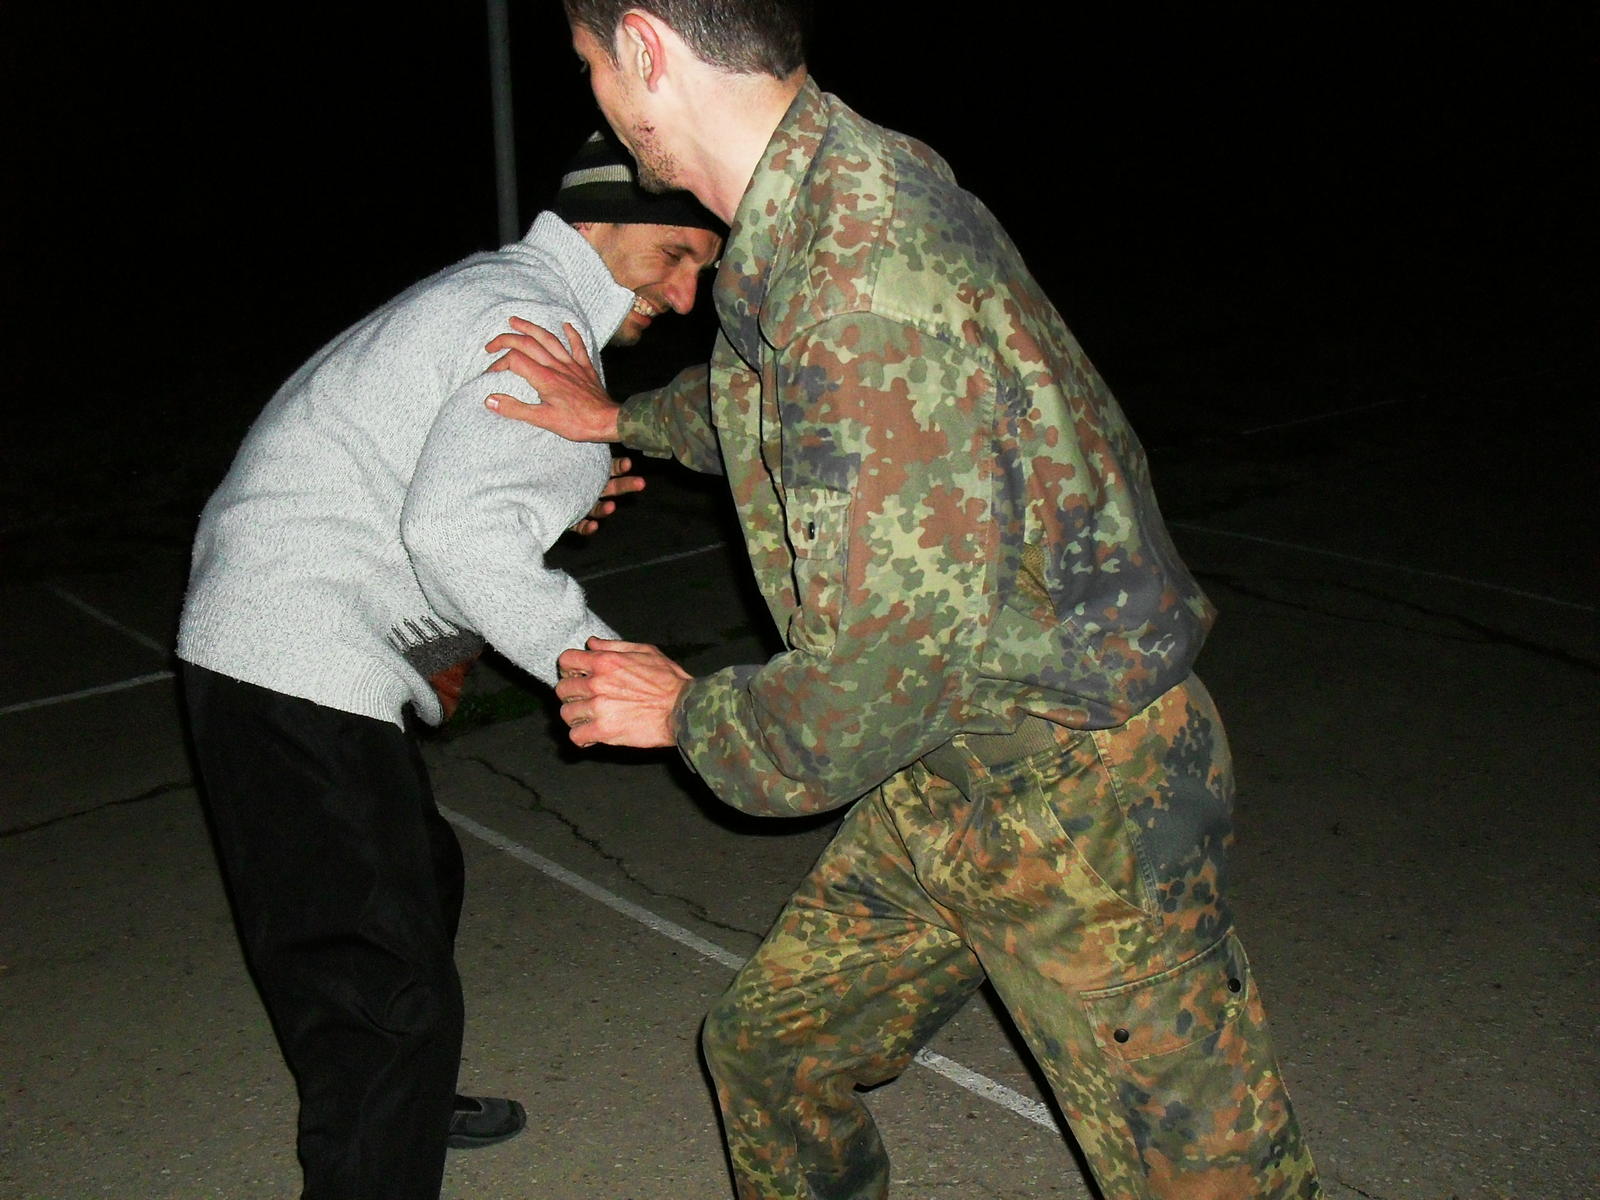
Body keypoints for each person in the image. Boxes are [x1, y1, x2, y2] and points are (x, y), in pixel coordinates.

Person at [481, 4, 1323, 1199]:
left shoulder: (857, 278)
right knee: (770, 1052)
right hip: (948, 772)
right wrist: (617, 417)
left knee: (1214, 1186)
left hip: (1078, 804)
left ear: (647, 48)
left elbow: (860, 700)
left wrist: (679, 712)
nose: (596, 101)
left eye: (589, 67)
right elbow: (783, 407)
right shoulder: (827, 192)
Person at [176, 131, 722, 1200]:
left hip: (268, 631)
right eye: (674, 254)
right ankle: (382, 1125)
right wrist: (600, 667)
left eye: (703, 267)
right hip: (292, 654)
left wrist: (556, 494)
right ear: (596, 220)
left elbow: (427, 487)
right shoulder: (535, 327)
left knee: (417, 878)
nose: (687, 294)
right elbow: (459, 538)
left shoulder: (497, 290)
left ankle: (401, 1098)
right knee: (386, 990)